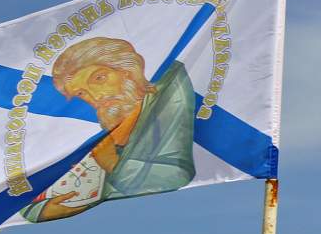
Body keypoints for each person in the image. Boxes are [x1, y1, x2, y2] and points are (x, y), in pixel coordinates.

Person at [20, 36, 195, 222]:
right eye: (81, 93)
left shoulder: (168, 88)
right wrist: (40, 210)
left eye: (99, 78)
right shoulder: (105, 125)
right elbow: (25, 196)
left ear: (126, 70)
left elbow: (176, 173)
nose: (95, 97)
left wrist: (111, 164)